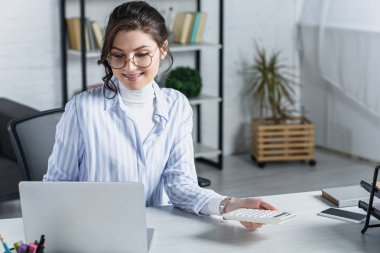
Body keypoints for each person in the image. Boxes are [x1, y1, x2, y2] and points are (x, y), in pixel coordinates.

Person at [43, 1, 277, 230]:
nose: (130, 67)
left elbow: (181, 185)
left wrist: (231, 205)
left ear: (162, 49)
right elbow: (55, 188)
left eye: (142, 54)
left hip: (161, 231)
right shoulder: (82, 109)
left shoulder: (177, 105)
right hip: (99, 233)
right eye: (118, 56)